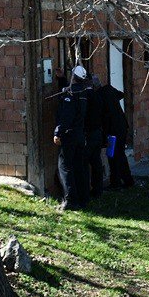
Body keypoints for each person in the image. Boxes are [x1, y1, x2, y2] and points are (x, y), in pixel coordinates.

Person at [54, 65, 89, 210]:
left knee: (65, 166)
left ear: (73, 77)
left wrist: (58, 132)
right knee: (79, 167)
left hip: (70, 135)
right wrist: (62, 80)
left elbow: (66, 116)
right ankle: (82, 199)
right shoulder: (83, 93)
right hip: (80, 135)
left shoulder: (70, 95)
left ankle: (70, 201)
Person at [100, 81, 134, 189]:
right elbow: (121, 94)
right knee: (120, 155)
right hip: (122, 127)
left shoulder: (99, 96)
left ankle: (115, 183)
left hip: (113, 131)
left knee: (113, 156)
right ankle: (128, 180)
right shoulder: (109, 89)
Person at [85, 75, 107, 198]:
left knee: (84, 163)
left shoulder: (87, 97)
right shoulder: (99, 97)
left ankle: (85, 191)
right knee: (96, 162)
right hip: (98, 132)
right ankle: (98, 190)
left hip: (89, 134)